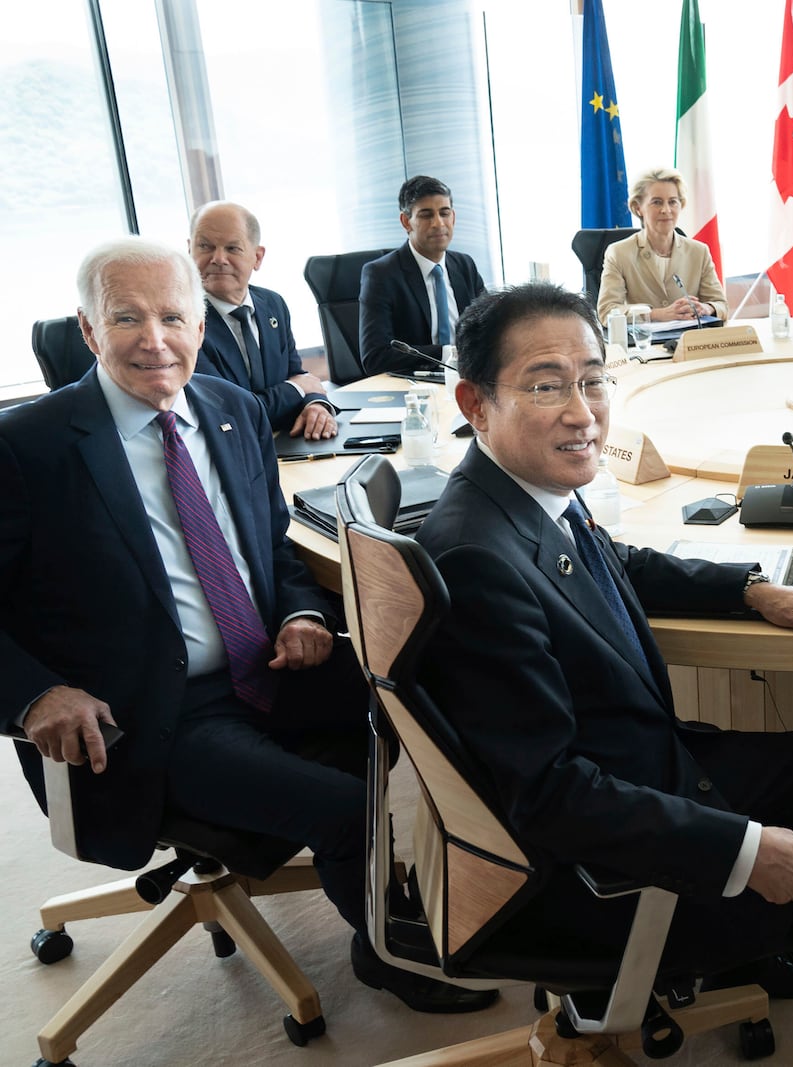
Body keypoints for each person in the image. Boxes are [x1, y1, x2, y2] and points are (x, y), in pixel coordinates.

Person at [415, 282, 793, 1066]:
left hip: (633, 770)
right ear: (475, 402)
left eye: (593, 379)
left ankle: (755, 952)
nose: (583, 411)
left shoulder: (515, 493)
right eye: (546, 385)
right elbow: (548, 798)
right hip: (588, 872)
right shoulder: (477, 557)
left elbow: (621, 563)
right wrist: (745, 851)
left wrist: (749, 588)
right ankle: (731, 927)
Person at [1, 238, 494, 1015]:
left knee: (437, 719)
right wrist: (34, 697)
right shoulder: (27, 448)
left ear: (201, 324)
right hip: (151, 714)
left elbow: (269, 547)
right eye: (126, 317)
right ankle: (389, 952)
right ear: (89, 330)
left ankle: (475, 893)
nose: (154, 339)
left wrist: (299, 608)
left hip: (267, 665)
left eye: (173, 316)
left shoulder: (230, 411)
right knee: (347, 807)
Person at [188, 201, 337, 440]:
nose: (218, 258)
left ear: (257, 257)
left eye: (232, 248)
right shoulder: (182, 322)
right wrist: (297, 389)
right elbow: (229, 414)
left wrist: (316, 405)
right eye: (205, 246)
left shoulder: (272, 303)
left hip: (284, 442)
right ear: (189, 251)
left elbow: (297, 374)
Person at [358, 175, 486, 376]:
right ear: (406, 222)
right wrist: (449, 354)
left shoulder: (464, 265)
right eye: (426, 215)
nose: (438, 223)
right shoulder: (381, 275)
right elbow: (375, 356)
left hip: (470, 378)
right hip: (416, 386)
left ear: (453, 217)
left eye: (444, 213)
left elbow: (489, 329)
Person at [596, 167, 728, 323]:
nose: (666, 210)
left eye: (673, 202)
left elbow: (721, 305)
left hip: (689, 341)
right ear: (638, 208)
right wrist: (656, 314)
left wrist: (706, 308)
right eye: (657, 202)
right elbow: (607, 311)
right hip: (643, 344)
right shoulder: (619, 252)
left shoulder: (699, 251)